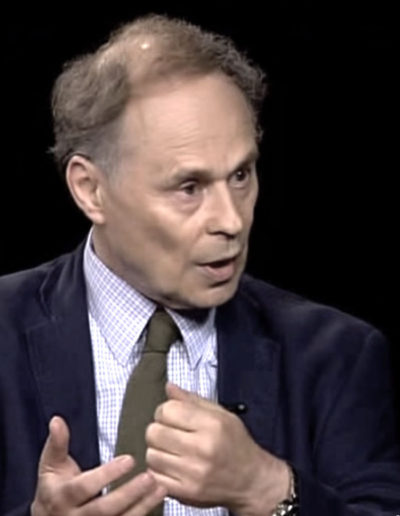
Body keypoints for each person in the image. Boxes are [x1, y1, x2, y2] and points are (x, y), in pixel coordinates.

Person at [0, 14, 399, 516]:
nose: (231, 221)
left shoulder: (337, 357)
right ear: (90, 189)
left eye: (241, 175)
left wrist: (268, 488)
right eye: (189, 188)